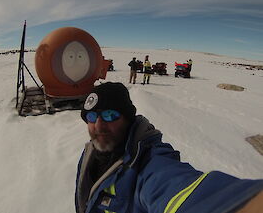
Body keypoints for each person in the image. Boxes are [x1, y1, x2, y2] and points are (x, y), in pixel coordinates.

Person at [75, 82, 263, 213]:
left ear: (128, 118)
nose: (98, 126)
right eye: (91, 117)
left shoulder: (147, 164)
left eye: (109, 115)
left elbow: (183, 192)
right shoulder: (91, 151)